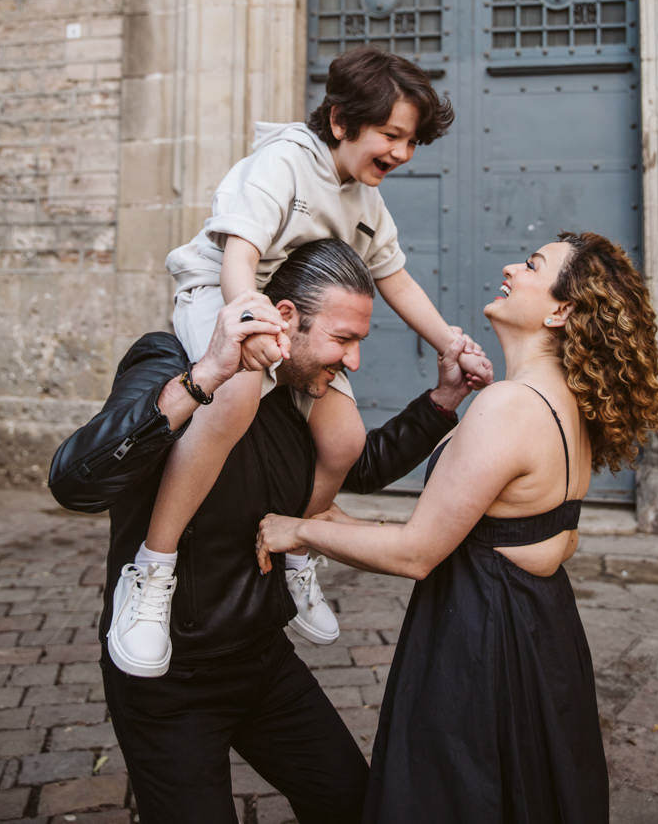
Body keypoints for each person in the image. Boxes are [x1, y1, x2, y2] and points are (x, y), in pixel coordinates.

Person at [49, 239, 474, 824]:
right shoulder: (169, 359)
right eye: (342, 339)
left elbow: (361, 466)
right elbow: (76, 482)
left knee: (351, 802)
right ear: (287, 319)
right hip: (170, 677)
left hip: (263, 660)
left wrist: (443, 400)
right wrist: (203, 380)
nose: (353, 361)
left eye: (359, 343)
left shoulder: (305, 396)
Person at [258, 231, 658, 824]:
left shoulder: (510, 405)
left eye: (532, 265)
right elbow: (474, 530)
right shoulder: (563, 401)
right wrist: (334, 518)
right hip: (537, 629)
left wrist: (296, 531)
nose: (510, 266)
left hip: (483, 642)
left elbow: (416, 552)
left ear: (561, 310)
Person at [109, 45, 491, 675]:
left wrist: (448, 340)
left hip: (290, 316)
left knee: (342, 440)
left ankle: (295, 544)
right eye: (392, 134)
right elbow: (239, 254)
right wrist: (247, 325)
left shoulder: (365, 201)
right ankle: (153, 567)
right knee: (232, 396)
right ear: (341, 121)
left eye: (412, 141)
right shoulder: (282, 163)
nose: (402, 153)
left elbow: (396, 280)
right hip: (222, 292)